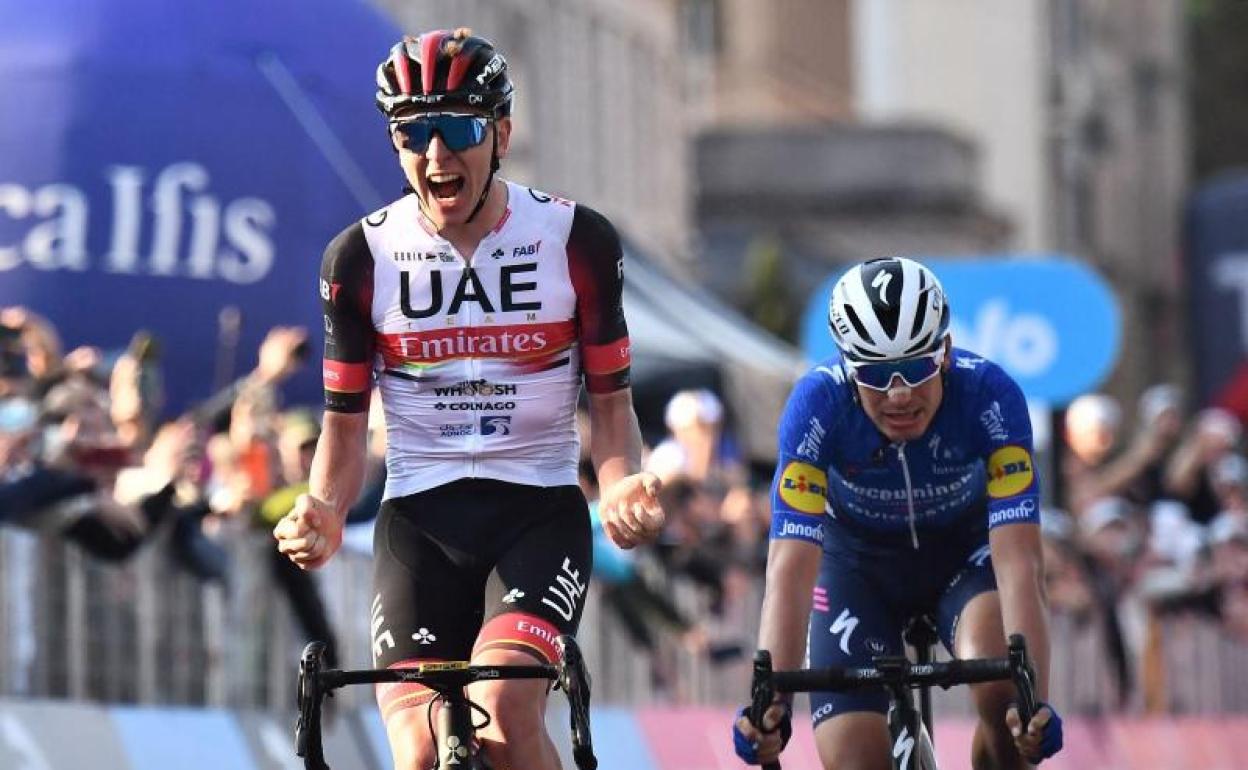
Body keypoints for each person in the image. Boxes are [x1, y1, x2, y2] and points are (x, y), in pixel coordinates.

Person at [271, 28, 664, 770]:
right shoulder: (359, 257)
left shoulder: (576, 240)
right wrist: (321, 507)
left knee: (508, 713)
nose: (437, 154)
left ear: (503, 133)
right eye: (413, 132)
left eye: (458, 127)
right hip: (420, 516)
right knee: (418, 751)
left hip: (538, 509)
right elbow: (345, 428)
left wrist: (619, 487)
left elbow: (612, 406)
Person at [733, 258, 1063, 769]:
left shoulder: (991, 397)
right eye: (876, 375)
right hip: (857, 570)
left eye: (916, 368)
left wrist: (1032, 704)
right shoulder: (816, 405)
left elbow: (1021, 564)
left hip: (964, 561)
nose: (900, 395)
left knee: (1002, 691)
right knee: (855, 761)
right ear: (847, 366)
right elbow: (790, 569)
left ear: (946, 351)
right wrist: (770, 702)